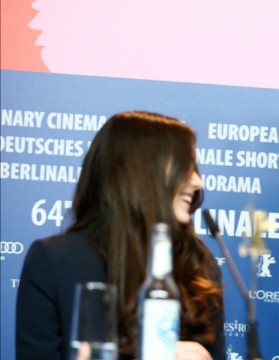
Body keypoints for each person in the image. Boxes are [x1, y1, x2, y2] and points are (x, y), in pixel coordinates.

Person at [16, 111, 226, 360]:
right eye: (185, 167)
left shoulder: (197, 261)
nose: (197, 181)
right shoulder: (52, 261)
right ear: (141, 172)